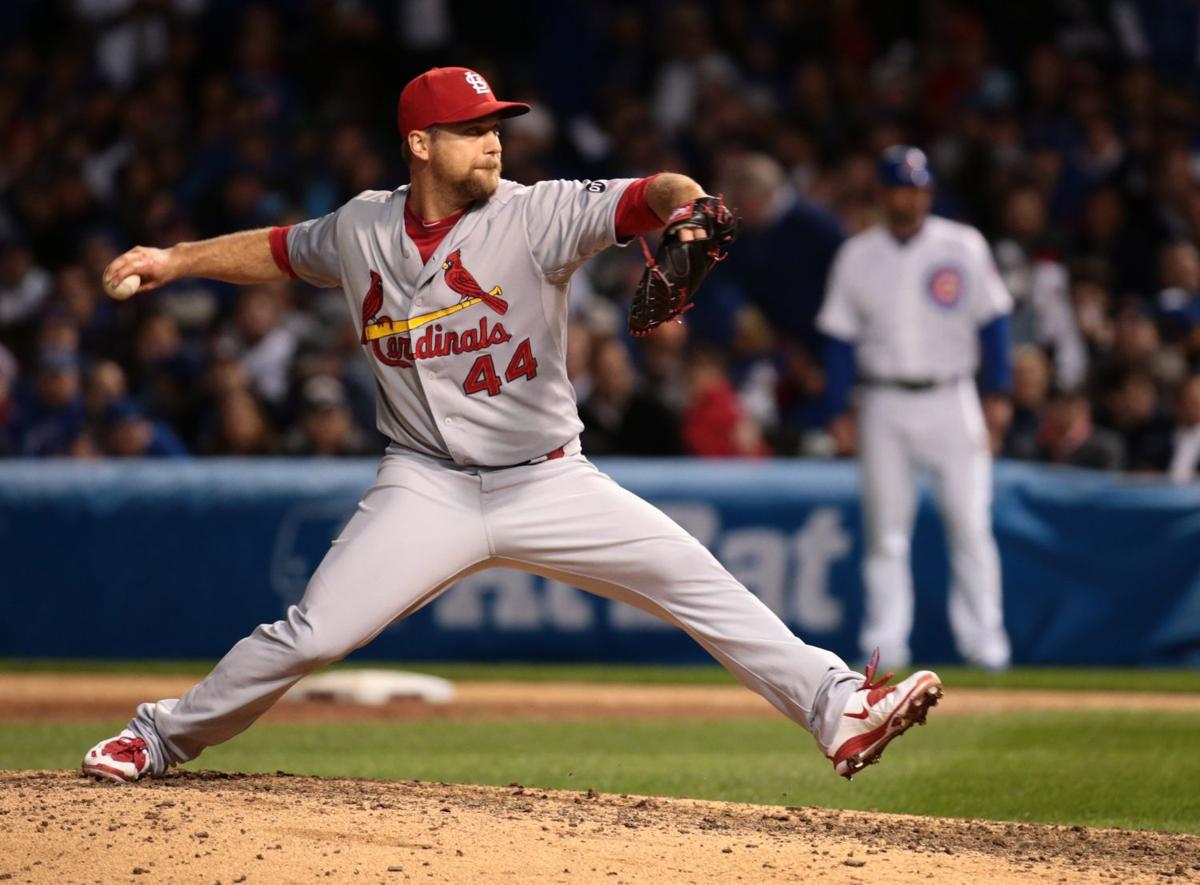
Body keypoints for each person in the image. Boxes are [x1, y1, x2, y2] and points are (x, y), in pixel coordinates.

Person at [81, 67, 942, 785]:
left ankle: (840, 706)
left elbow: (654, 194)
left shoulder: (536, 214)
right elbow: (279, 249)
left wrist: (692, 209)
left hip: (548, 478)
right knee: (313, 631)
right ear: (420, 144)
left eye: (497, 125)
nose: (493, 140)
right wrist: (175, 260)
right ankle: (158, 735)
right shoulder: (361, 227)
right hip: (425, 482)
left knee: (694, 577)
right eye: (470, 127)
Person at [817, 145, 1013, 671]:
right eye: (901, 187)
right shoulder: (858, 253)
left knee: (970, 524)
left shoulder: (962, 245)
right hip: (882, 400)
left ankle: (985, 645)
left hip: (954, 396)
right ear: (883, 194)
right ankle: (886, 645)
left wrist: (998, 392)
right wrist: (838, 408)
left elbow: (993, 321)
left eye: (918, 187)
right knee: (885, 533)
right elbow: (839, 339)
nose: (911, 197)